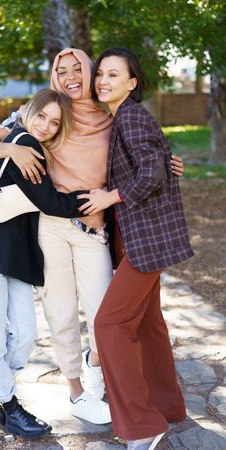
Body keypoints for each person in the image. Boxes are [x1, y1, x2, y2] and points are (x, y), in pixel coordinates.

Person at [0, 48, 184, 425]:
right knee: (61, 313)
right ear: (54, 76)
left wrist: (167, 165)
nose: (71, 76)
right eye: (62, 69)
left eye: (79, 69)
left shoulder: (111, 118)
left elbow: (140, 158)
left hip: (94, 228)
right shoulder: (47, 112)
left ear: (90, 74)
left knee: (105, 314)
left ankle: (96, 365)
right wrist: (13, 151)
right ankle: (77, 393)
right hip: (50, 227)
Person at [0, 89, 91, 440]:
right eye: (42, 116)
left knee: (26, 335)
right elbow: (52, 202)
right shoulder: (24, 141)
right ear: (29, 112)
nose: (46, 125)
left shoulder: (29, 143)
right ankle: (6, 405)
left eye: (55, 122)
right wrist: (104, 199)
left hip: (13, 257)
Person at [78, 47, 194, 450]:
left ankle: (144, 425)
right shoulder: (122, 118)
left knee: (109, 325)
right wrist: (165, 160)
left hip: (145, 241)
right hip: (136, 239)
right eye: (101, 75)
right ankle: (168, 406)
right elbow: (157, 163)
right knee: (147, 323)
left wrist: (110, 197)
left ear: (132, 83)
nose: (103, 81)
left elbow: (151, 172)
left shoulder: (131, 116)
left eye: (114, 74)